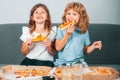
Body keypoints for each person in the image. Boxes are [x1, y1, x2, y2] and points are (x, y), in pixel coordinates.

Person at [54, 2, 102, 66]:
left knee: (84, 74)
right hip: (63, 62)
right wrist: (67, 34)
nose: (70, 16)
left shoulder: (84, 31)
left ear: (81, 17)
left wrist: (92, 46)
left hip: (78, 62)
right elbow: (58, 48)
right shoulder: (61, 29)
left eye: (74, 14)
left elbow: (85, 50)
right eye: (68, 13)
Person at [20, 3, 57, 67]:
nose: (39, 14)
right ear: (32, 17)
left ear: (47, 17)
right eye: (36, 12)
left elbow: (53, 52)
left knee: (46, 76)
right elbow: (23, 52)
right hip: (29, 60)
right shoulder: (27, 31)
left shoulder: (51, 32)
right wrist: (28, 47)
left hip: (46, 61)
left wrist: (49, 45)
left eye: (42, 12)